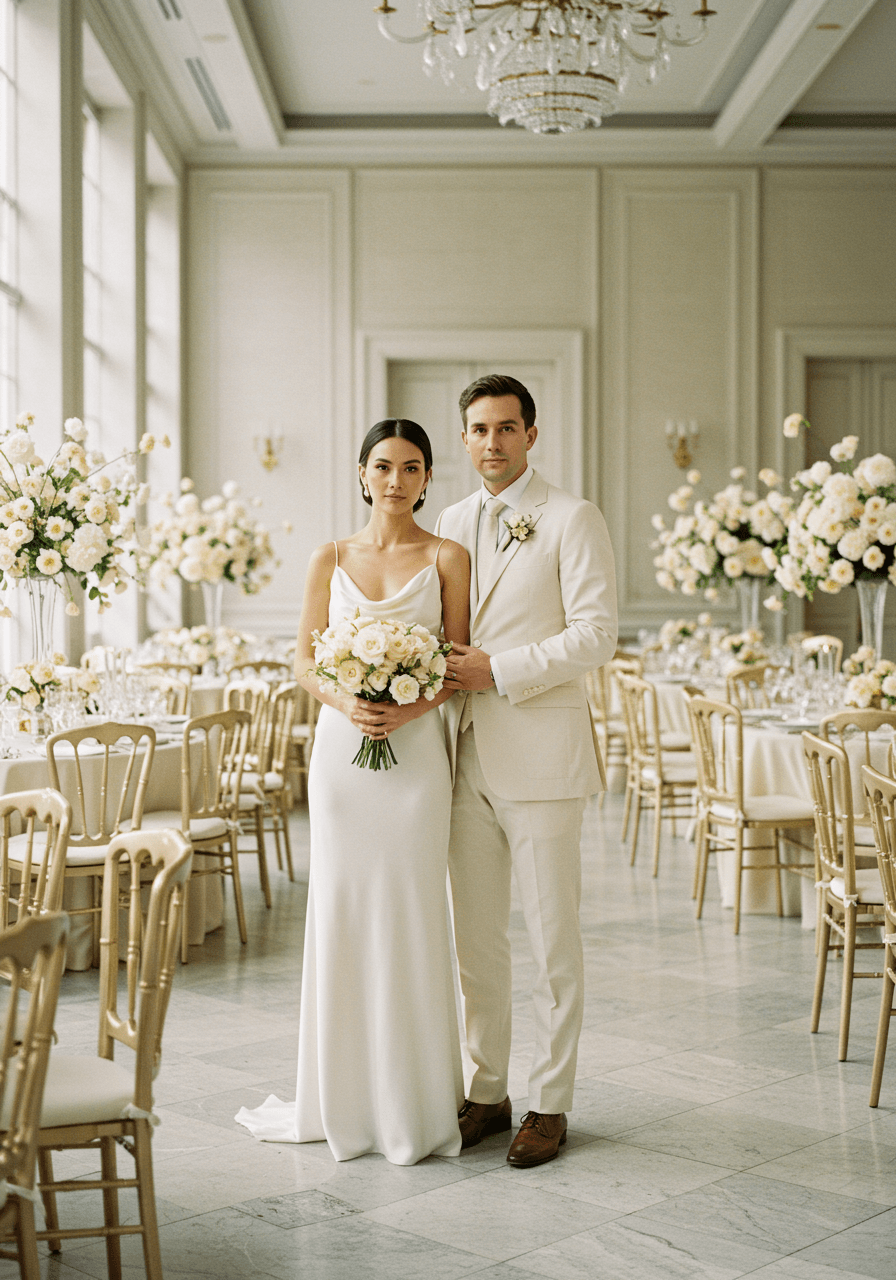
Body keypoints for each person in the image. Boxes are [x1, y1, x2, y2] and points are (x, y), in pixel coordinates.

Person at [236, 419, 470, 1166]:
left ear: (429, 478)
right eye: (383, 467)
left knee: (413, 910)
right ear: (362, 474)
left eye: (411, 468)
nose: (396, 481)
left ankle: (417, 1101)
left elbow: (457, 663)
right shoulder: (328, 557)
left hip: (417, 758)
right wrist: (347, 704)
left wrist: (408, 705)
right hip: (342, 757)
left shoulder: (448, 557)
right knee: (340, 911)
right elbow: (304, 662)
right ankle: (339, 1097)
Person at [435, 373, 617, 1169]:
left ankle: (551, 1102)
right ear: (465, 438)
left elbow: (596, 635)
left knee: (552, 941)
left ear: (532, 436)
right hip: (458, 754)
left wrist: (497, 670)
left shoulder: (571, 518)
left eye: (507, 428)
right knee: (475, 942)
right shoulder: (448, 519)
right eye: (479, 429)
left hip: (541, 757)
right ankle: (488, 1088)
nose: (493, 442)